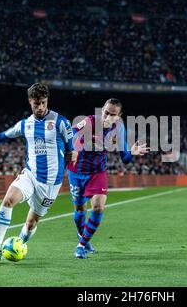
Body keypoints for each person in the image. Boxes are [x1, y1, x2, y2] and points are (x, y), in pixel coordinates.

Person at [0, 83, 73, 263]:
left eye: (44, 103)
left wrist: (72, 155)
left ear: (47, 101)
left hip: (50, 184)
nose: (41, 107)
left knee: (31, 223)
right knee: (8, 200)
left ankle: (19, 243)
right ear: (30, 101)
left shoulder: (61, 122)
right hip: (30, 175)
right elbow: (1, 137)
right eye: (37, 103)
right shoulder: (25, 124)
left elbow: (72, 149)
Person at [67, 98, 149, 259]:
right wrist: (72, 149)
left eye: (112, 115)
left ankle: (81, 245)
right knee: (80, 210)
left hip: (97, 172)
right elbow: (70, 132)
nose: (107, 117)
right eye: (106, 112)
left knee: (98, 208)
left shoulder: (119, 128)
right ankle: (81, 235)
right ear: (101, 110)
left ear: (118, 116)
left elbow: (124, 158)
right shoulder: (90, 121)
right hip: (76, 171)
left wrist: (132, 152)